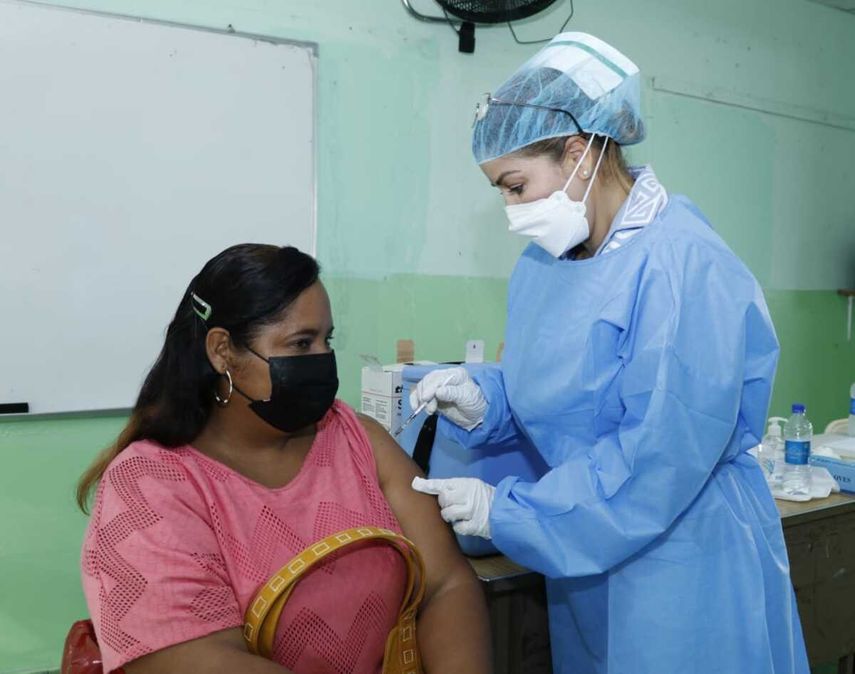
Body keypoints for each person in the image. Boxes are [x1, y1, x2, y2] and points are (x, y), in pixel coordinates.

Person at [410, 32, 809, 674]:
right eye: (501, 192)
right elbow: (570, 393)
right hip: (582, 553)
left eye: (516, 185)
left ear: (578, 153)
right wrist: (488, 399)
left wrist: (508, 510)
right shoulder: (544, 267)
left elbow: (658, 453)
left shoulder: (682, 264)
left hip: (682, 561)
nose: (512, 211)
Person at [76, 244, 490, 674]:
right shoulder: (151, 484)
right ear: (222, 351)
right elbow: (192, 657)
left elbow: (446, 584)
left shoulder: (357, 441)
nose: (322, 359)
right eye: (301, 343)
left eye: (327, 340)